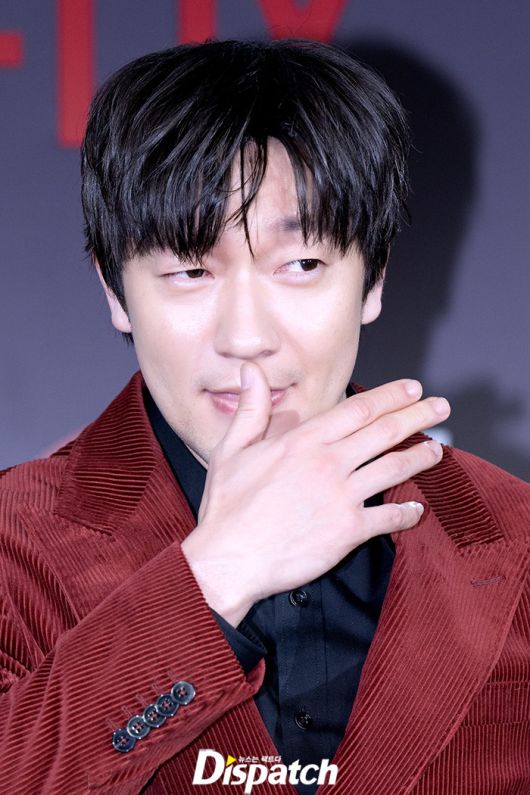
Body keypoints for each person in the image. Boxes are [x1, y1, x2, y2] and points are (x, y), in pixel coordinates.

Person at [0, 38, 528, 795]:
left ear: (373, 278)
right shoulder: (14, 545)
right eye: (190, 270)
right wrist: (215, 577)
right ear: (115, 291)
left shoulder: (514, 537)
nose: (246, 336)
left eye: (301, 265)